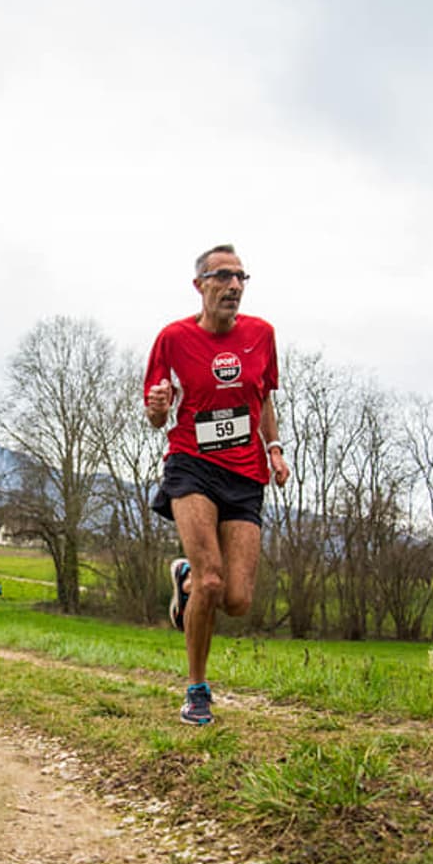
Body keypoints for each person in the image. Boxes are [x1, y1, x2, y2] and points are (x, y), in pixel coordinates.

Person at [144, 243, 290, 725]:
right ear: (199, 285)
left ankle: (183, 576)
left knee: (237, 600)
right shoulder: (172, 338)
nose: (233, 286)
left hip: (246, 473)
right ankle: (196, 690)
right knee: (212, 579)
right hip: (192, 465)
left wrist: (275, 448)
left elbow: (264, 398)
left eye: (241, 277)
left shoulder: (262, 335)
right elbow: (154, 414)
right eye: (222, 276)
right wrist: (159, 408)